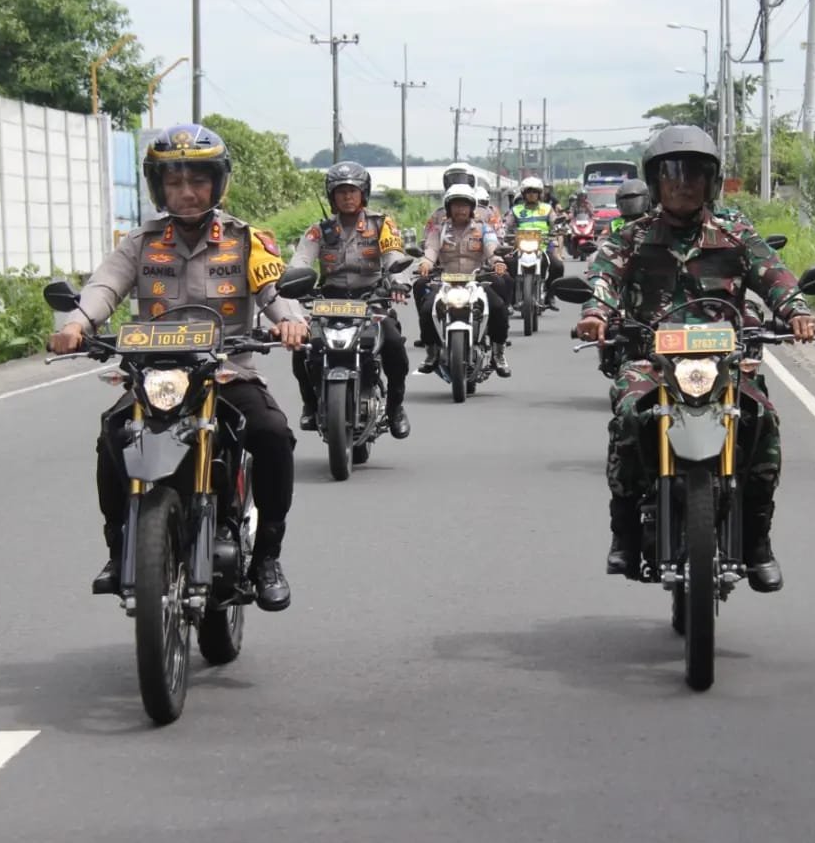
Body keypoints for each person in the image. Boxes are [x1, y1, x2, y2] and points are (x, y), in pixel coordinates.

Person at [46, 123, 307, 612]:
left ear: (218, 182)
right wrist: (76, 323)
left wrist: (291, 324)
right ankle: (119, 545)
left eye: (197, 180)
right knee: (113, 433)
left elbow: (274, 294)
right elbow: (104, 287)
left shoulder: (246, 240)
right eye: (173, 181)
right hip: (156, 377)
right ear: (157, 187)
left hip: (227, 373)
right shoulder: (140, 243)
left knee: (272, 433)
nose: (186, 192)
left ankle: (268, 556)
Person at [575, 124, 815, 592]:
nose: (682, 183)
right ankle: (624, 532)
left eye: (694, 173)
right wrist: (596, 313)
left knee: (763, 419)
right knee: (627, 416)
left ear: (710, 181)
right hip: (651, 359)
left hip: (725, 362)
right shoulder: (632, 236)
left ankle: (758, 542)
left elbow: (775, 275)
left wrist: (797, 312)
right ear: (655, 182)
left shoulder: (734, 233)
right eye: (672, 174)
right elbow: (603, 276)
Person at [285, 161, 413, 439]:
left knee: (393, 345)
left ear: (363, 193)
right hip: (328, 301)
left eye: (352, 190)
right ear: (332, 196)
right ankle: (309, 403)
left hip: (372, 299)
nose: (347, 196)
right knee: (302, 346)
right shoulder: (318, 230)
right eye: (340, 191)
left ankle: (395, 408)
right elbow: (300, 261)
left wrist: (400, 283)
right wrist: (292, 282)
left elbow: (393, 255)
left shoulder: (381, 224)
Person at [415, 183, 512, 377]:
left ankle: (498, 353)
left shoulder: (483, 229)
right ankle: (432, 352)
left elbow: (492, 247)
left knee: (498, 307)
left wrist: (497, 262)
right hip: (445, 282)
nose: (460, 209)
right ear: (448, 208)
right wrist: (425, 263)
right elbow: (431, 249)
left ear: (471, 208)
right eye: (456, 205)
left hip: (475, 281)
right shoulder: (439, 229)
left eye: (464, 205)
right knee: (426, 308)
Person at [503, 176, 565, 309]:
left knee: (558, 266)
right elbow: (506, 226)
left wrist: (559, 229)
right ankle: (512, 297)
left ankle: (550, 294)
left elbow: (555, 222)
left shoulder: (547, 208)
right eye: (529, 191)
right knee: (507, 264)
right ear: (524, 194)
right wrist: (503, 234)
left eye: (535, 192)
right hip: (520, 246)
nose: (532, 194)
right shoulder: (516, 210)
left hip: (542, 245)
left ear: (539, 193)